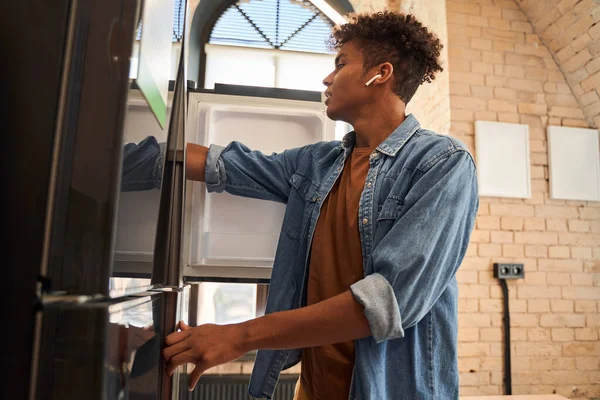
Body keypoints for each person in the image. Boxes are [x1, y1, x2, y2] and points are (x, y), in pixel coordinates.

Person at [127, 10, 479, 400]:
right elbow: (224, 164)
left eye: (341, 63)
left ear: (380, 74)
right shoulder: (318, 163)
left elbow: (386, 303)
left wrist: (238, 336)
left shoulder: (442, 163)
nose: (328, 78)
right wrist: (104, 161)